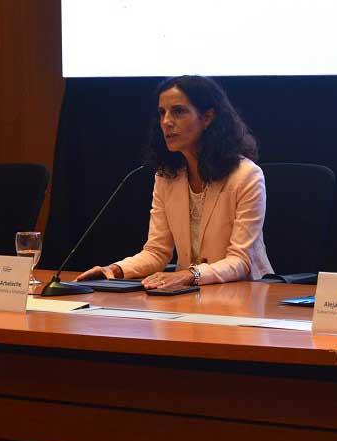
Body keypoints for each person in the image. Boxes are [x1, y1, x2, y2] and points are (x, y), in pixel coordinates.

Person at [77, 75, 273, 289]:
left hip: (244, 292)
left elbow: (241, 260)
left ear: (207, 118)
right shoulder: (167, 176)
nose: (166, 122)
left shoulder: (246, 176)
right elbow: (157, 251)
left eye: (178, 111)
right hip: (190, 292)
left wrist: (189, 275)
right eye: (162, 113)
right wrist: (114, 270)